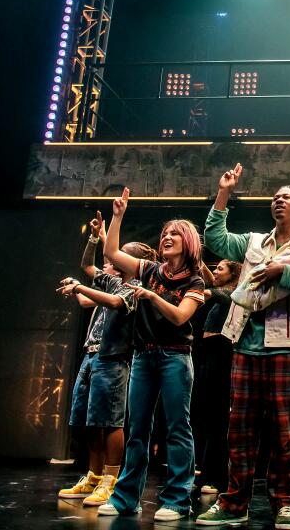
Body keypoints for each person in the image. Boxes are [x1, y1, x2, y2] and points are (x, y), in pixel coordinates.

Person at [196, 164, 290, 530]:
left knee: (285, 428)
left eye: (285, 197)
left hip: (287, 344)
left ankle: (285, 500)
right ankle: (234, 502)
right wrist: (224, 192)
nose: (277, 202)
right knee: (239, 427)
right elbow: (216, 239)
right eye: (274, 198)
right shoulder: (254, 240)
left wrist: (282, 273)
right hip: (246, 342)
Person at [97, 189, 210, 523]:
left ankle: (176, 500)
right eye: (164, 234)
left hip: (175, 357)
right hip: (144, 357)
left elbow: (180, 317)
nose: (167, 237)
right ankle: (126, 498)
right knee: (137, 429)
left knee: (177, 428)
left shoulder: (196, 280)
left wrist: (151, 297)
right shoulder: (148, 268)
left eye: (174, 233)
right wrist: (118, 216)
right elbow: (112, 252)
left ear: (188, 241)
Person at [57, 211, 149, 508]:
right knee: (87, 419)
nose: (111, 263)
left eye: (116, 259)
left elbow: (112, 302)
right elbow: (87, 265)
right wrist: (94, 238)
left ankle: (111, 480)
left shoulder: (133, 289)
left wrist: (80, 287)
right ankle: (94, 475)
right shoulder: (110, 282)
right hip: (91, 355)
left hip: (113, 359)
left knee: (110, 421)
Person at [193, 259, 239, 498]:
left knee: (219, 418)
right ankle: (206, 471)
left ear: (233, 274)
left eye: (221, 268)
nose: (215, 272)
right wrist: (197, 259)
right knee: (207, 417)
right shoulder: (222, 289)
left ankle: (219, 477)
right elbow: (211, 280)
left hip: (223, 352)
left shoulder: (232, 293)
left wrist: (208, 291)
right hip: (209, 353)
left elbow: (221, 293)